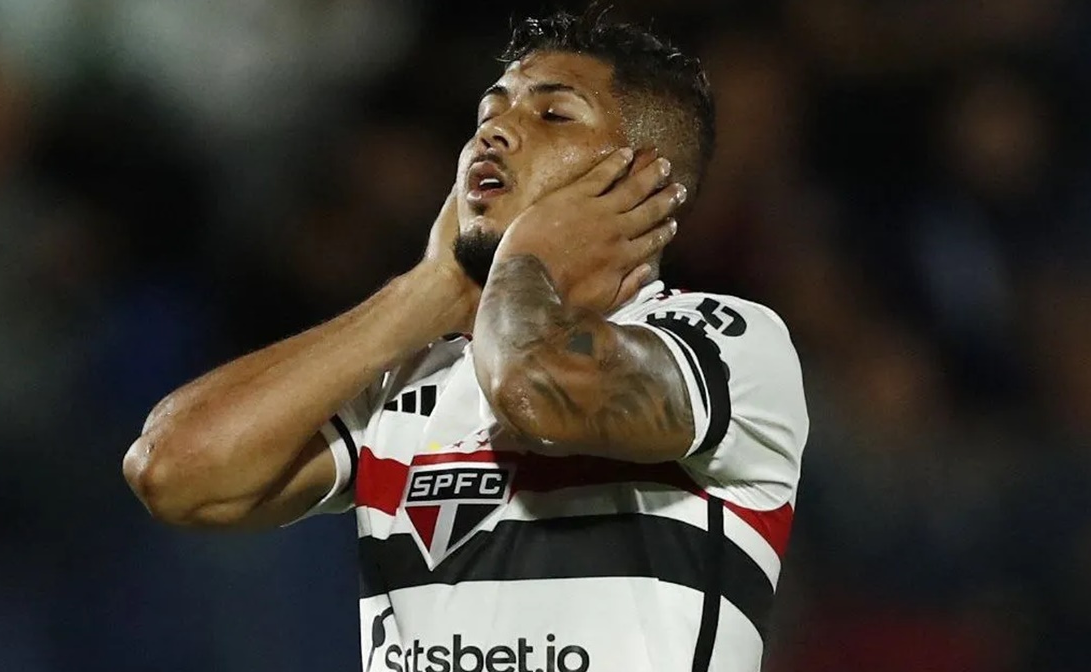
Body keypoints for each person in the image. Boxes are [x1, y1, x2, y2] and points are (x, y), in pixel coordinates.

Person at [123, 9, 808, 672]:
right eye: (489, 116)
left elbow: (538, 393)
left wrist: (523, 260)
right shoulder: (415, 379)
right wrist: (428, 288)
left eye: (553, 114)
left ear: (643, 180)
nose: (498, 134)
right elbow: (175, 473)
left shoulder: (727, 344)